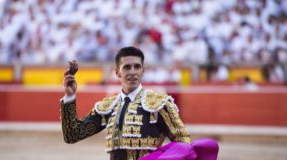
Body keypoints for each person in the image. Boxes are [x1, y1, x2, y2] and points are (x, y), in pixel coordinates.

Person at [60, 46, 191, 160]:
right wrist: (70, 96)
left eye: (137, 67)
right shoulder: (108, 107)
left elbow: (183, 144)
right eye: (127, 67)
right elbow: (73, 135)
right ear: (117, 72)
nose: (132, 72)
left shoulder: (159, 104)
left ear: (143, 71)